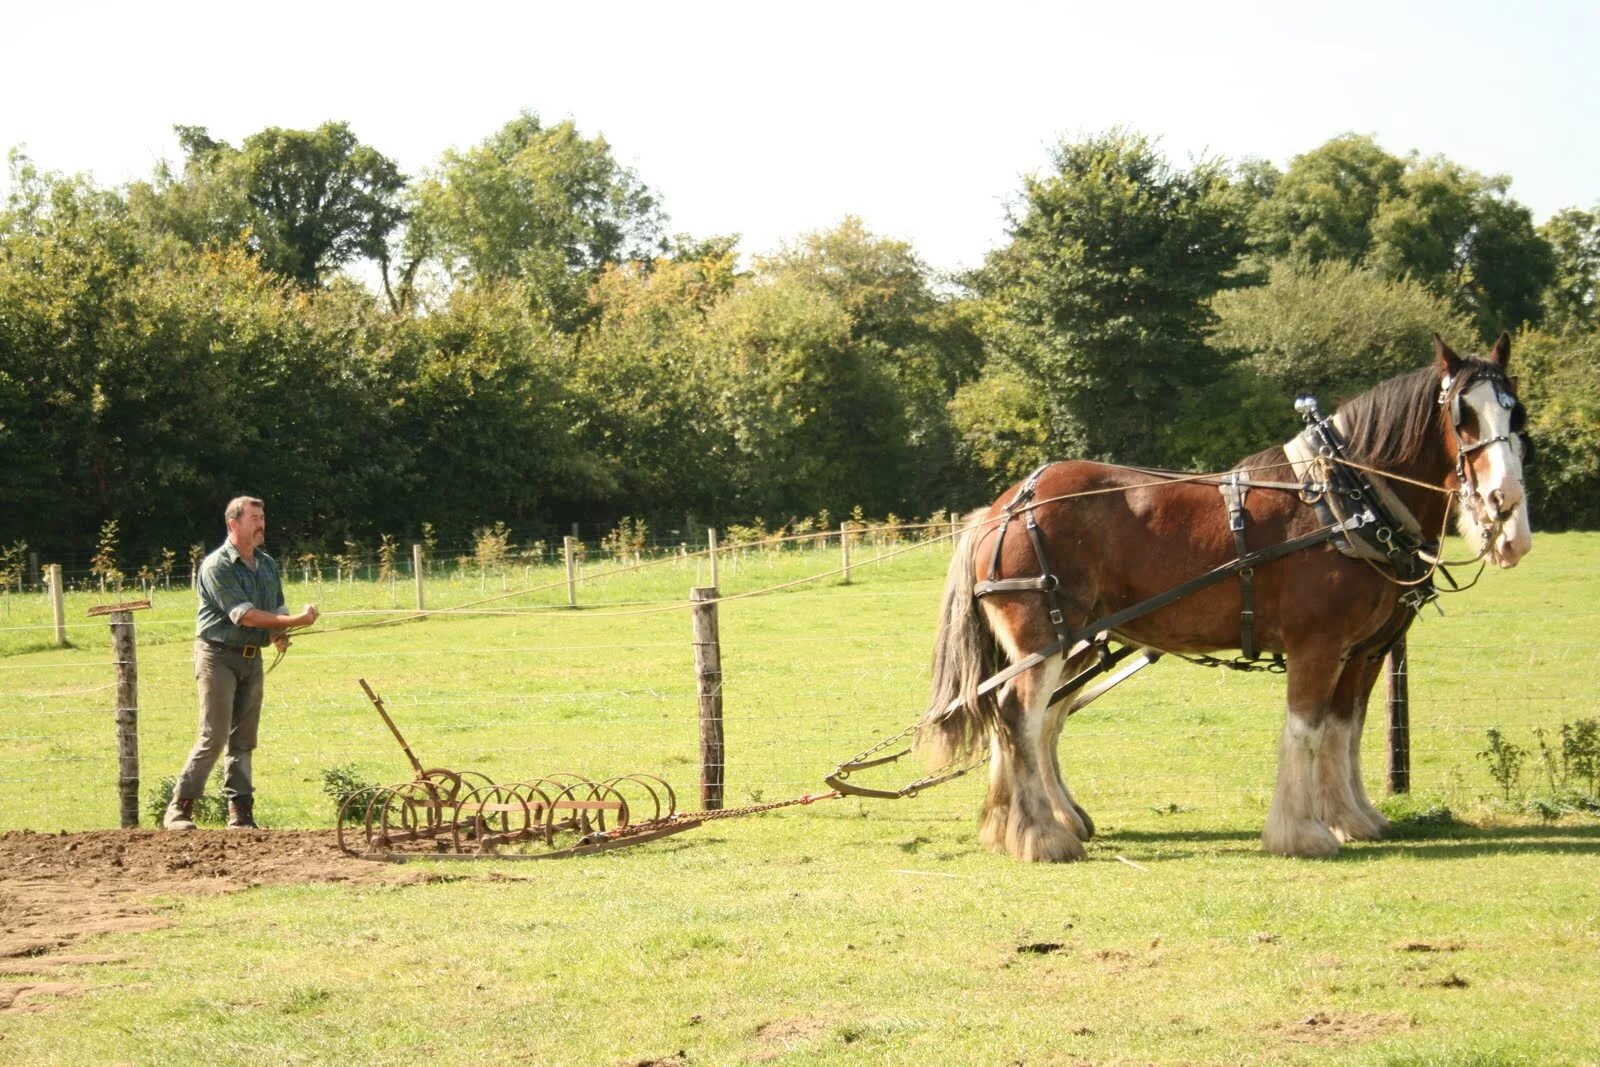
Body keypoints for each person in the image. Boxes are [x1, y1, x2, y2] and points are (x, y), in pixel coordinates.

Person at [163, 496, 318, 830]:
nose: (261, 524)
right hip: (217, 656)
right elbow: (244, 616)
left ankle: (241, 815)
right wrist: (295, 621)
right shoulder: (216, 565)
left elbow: (274, 608)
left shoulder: (268, 564)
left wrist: (279, 631)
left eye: (262, 517)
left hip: (252, 658)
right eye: (254, 518)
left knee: (244, 738)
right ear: (233, 524)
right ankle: (179, 809)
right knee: (214, 736)